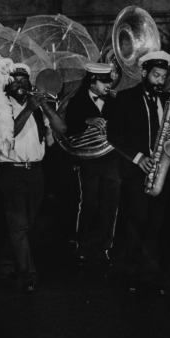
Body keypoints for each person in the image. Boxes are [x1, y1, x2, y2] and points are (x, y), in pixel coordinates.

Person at [105, 50, 170, 294]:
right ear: (144, 72)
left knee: (155, 226)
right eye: (156, 75)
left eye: (163, 76)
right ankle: (130, 275)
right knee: (135, 224)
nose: (161, 80)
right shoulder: (126, 99)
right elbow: (114, 135)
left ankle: (150, 276)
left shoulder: (168, 99)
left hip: (161, 168)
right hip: (137, 171)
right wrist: (138, 159)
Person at [0, 63, 66, 293]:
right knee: (20, 225)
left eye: (24, 78)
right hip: (10, 171)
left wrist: (44, 105)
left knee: (26, 225)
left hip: (35, 172)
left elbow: (61, 129)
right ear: (7, 84)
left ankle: (6, 263)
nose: (20, 83)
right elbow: (8, 134)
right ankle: (28, 274)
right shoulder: (0, 107)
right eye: (14, 79)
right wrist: (27, 109)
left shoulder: (37, 108)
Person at [64, 62, 121, 266]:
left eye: (109, 80)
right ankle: (83, 246)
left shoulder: (115, 101)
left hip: (112, 160)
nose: (108, 85)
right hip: (89, 162)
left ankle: (104, 248)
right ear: (91, 81)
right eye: (104, 81)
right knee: (89, 203)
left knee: (110, 206)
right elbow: (68, 131)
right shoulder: (76, 102)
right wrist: (87, 121)